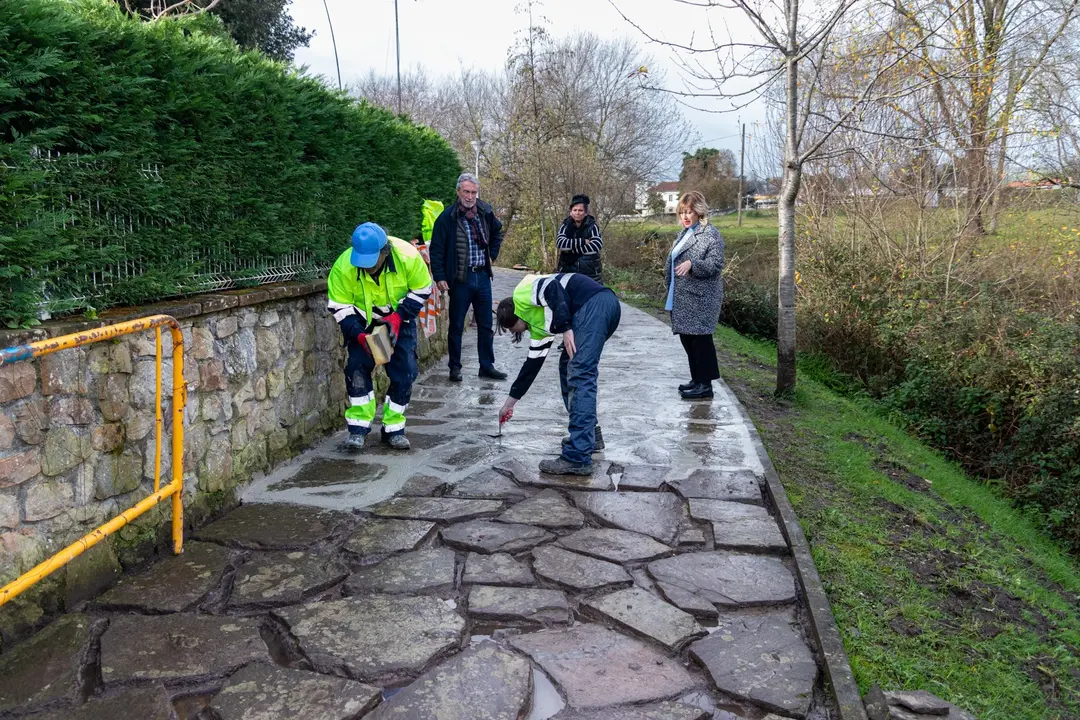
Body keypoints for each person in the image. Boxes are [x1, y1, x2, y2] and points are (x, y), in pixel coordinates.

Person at [496, 273, 621, 476]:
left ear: (515, 317)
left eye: (511, 327)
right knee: (567, 366)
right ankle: (589, 436)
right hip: (598, 307)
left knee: (580, 375)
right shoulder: (538, 326)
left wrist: (566, 329)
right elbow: (530, 368)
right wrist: (508, 404)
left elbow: (552, 288)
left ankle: (577, 457)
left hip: (593, 305)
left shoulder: (521, 294)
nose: (512, 332)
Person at [327, 222, 433, 451]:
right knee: (356, 369)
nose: (367, 268)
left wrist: (398, 317)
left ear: (385, 252)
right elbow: (340, 307)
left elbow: (423, 289)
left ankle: (394, 429)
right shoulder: (343, 267)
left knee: (405, 372)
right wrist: (359, 336)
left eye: (372, 262)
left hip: (399, 321)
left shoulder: (408, 257)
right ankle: (358, 430)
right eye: (362, 263)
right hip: (363, 324)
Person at [428, 172, 507, 383]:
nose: (470, 196)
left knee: (486, 325)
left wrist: (492, 255)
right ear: (458, 192)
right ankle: (455, 368)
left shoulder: (485, 212)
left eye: (473, 192)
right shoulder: (447, 217)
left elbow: (497, 233)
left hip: (482, 276)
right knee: (456, 326)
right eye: (466, 192)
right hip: (460, 279)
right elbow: (436, 249)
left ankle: (486, 366)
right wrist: (440, 276)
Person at [665, 191, 724, 400]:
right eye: (682, 212)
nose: (685, 216)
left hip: (700, 299)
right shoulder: (684, 233)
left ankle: (705, 386)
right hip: (683, 297)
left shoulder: (710, 234)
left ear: (699, 211)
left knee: (701, 342)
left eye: (689, 212)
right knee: (688, 340)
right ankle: (697, 379)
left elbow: (716, 264)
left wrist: (693, 264)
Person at [555, 194, 604, 283]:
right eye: (575, 210)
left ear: (585, 213)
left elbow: (596, 245)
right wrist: (583, 241)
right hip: (567, 271)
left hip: (590, 274)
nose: (577, 213)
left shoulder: (592, 226)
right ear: (571, 212)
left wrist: (570, 250)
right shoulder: (565, 226)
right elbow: (560, 243)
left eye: (580, 210)